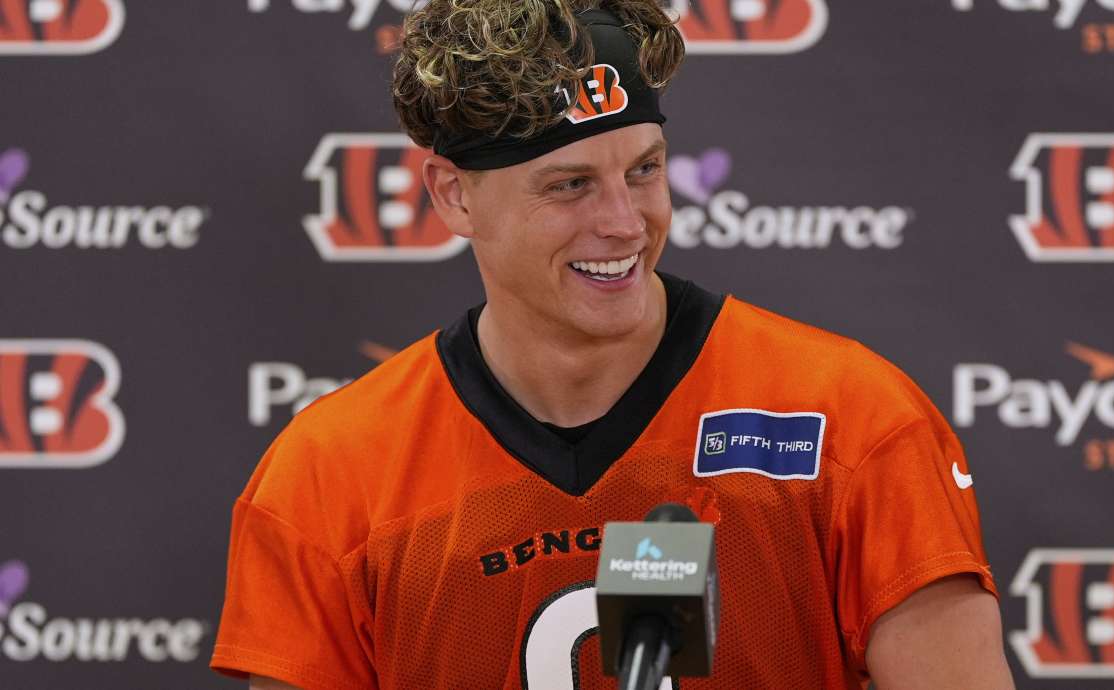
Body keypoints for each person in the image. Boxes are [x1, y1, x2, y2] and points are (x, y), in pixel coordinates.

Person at [211, 1, 1016, 688]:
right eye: (569, 185)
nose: (625, 224)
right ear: (454, 195)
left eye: (644, 170)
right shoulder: (327, 476)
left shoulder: (852, 420)